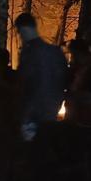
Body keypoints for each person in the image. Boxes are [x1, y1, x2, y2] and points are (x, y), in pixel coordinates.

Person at [14, 13, 68, 141]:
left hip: (32, 116)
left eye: (19, 32)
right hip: (51, 112)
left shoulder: (29, 53)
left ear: (22, 29)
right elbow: (64, 81)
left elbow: (24, 84)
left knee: (30, 153)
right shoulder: (56, 52)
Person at [63, 38, 91, 127]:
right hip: (78, 109)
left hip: (83, 112)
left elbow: (80, 89)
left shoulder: (89, 68)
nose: (72, 57)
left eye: (74, 54)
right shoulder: (83, 66)